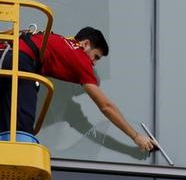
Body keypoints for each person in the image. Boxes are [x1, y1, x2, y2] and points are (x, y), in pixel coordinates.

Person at [0, 26, 154, 152]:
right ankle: (18, 154)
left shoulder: (57, 40)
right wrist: (135, 136)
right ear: (85, 44)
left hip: (5, 54)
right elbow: (106, 107)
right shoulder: (80, 58)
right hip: (18, 60)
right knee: (22, 125)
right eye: (96, 56)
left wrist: (127, 150)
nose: (93, 63)